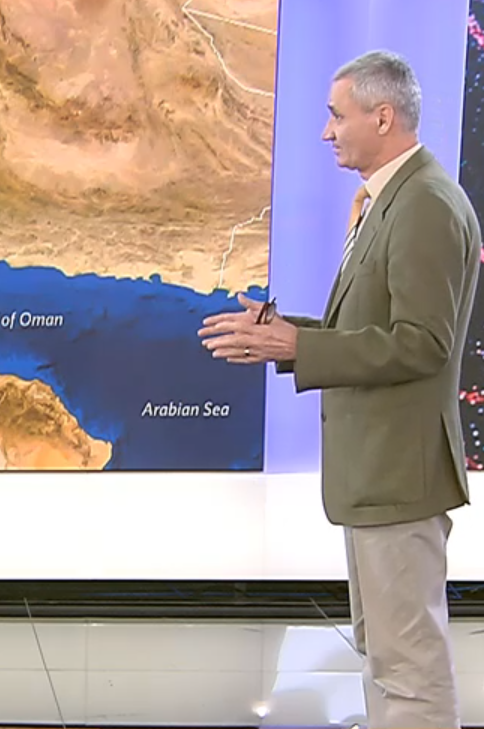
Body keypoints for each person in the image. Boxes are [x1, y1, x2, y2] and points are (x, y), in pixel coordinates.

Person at [198, 50, 481, 728]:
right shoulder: (394, 200)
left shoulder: (424, 204)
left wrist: (299, 347)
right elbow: (373, 328)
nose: (326, 132)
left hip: (398, 473)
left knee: (408, 669)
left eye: (336, 116)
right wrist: (285, 334)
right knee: (386, 658)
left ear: (383, 117)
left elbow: (423, 343)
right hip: (378, 474)